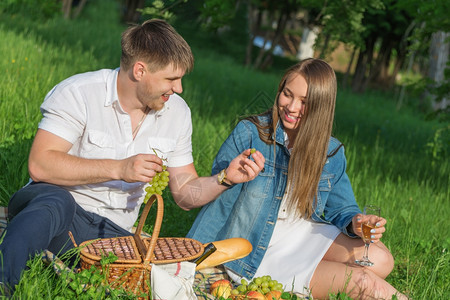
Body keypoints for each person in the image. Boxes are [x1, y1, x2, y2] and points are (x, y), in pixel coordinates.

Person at [0, 19, 265, 294]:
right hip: (56, 211)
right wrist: (119, 168)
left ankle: (65, 265)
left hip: (113, 233)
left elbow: (185, 192)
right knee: (56, 201)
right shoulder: (79, 93)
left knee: (150, 273)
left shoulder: (177, 113)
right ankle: (4, 282)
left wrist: (225, 179)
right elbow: (40, 165)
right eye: (171, 79)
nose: (179, 89)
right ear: (140, 70)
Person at [186, 58, 408, 299]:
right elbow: (216, 196)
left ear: (322, 107)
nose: (291, 107)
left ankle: (331, 280)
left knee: (381, 259)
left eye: (304, 102)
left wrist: (356, 222)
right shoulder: (250, 133)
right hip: (256, 248)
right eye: (287, 94)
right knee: (365, 282)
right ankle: (336, 282)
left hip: (301, 235)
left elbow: (342, 208)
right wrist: (194, 253)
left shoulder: (330, 152)